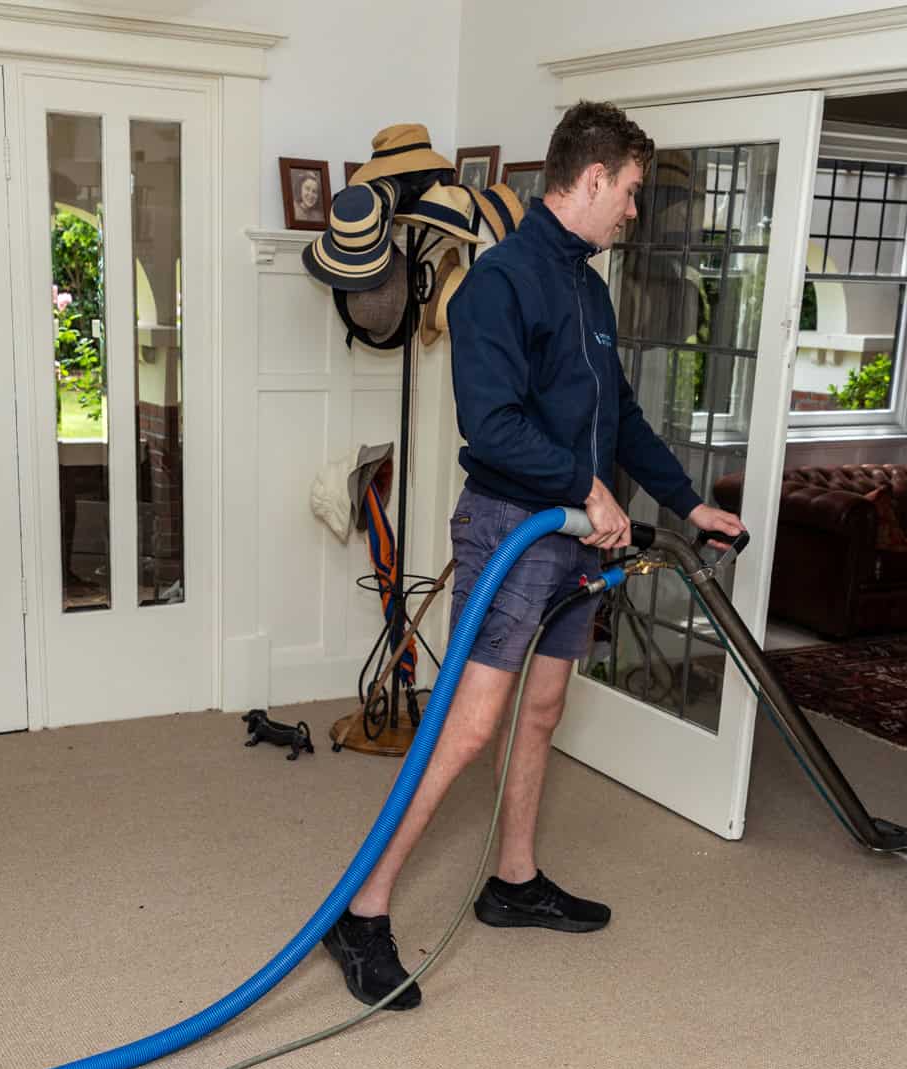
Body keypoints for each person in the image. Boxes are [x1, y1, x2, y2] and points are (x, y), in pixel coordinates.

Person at [319, 101, 746, 1010]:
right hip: (515, 529)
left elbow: (618, 417)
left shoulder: (589, 291)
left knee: (543, 708)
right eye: (630, 191)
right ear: (592, 178)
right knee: (468, 725)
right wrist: (583, 492)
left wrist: (686, 500)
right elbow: (493, 424)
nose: (635, 211)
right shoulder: (497, 286)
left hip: (575, 544)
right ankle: (362, 909)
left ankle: (513, 880)